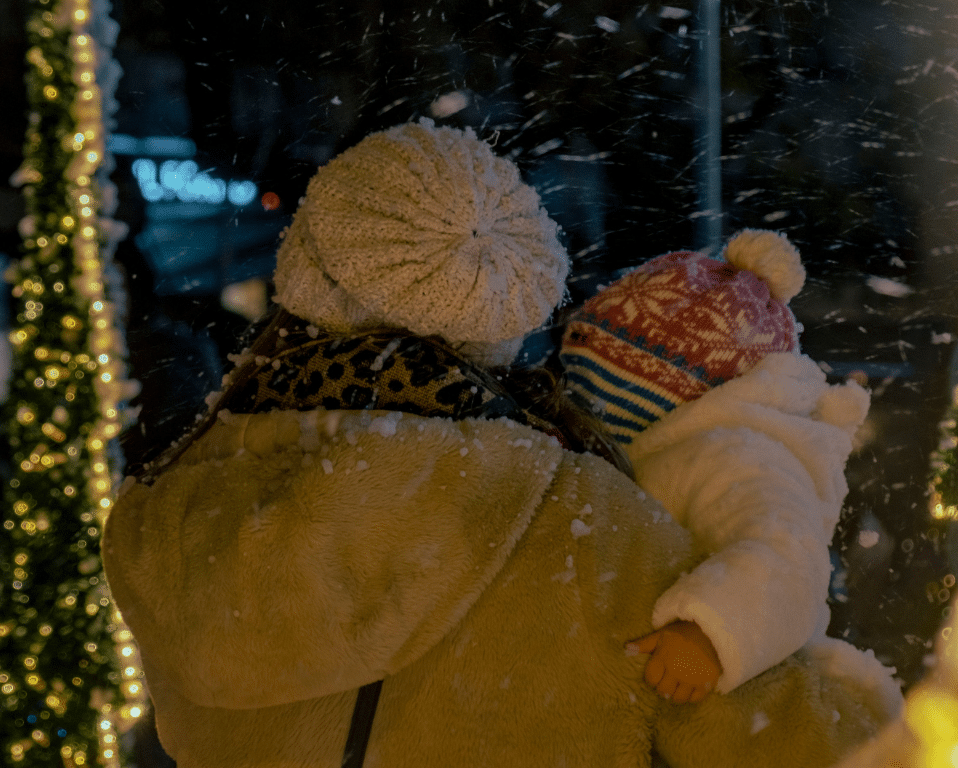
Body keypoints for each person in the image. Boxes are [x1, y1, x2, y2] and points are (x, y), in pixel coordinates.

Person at [103, 120, 897, 768]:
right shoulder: (579, 521)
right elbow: (802, 746)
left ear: (305, 273)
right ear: (508, 312)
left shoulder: (176, 504)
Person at [559, 229, 903, 708]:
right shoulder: (649, 440)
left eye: (599, 389)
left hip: (715, 686)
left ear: (666, 392)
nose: (581, 405)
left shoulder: (739, 456)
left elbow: (787, 555)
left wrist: (709, 631)